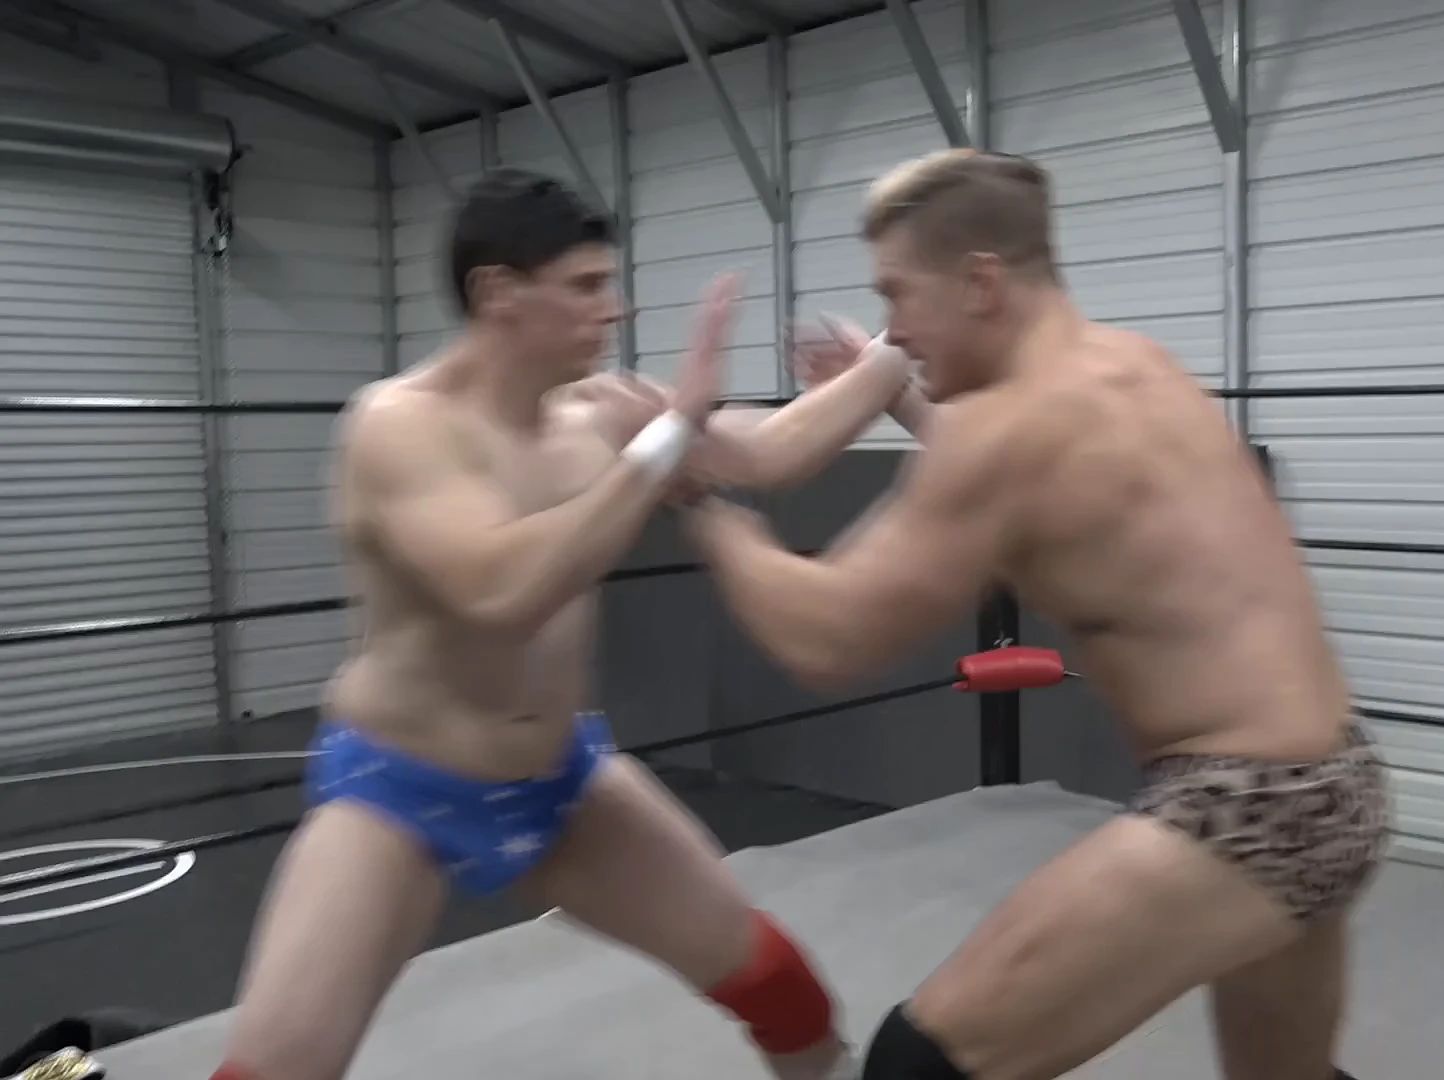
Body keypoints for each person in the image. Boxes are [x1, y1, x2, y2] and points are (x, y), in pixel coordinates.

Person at [682, 148, 1390, 1080]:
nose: (894, 329)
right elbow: (1049, 488)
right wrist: (903, 395)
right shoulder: (1134, 366)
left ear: (981, 282)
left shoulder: (1006, 431)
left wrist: (706, 513)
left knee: (922, 1065)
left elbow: (830, 636)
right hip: (1339, 781)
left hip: (1241, 808)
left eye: (899, 295)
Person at [209, 168, 922, 1080]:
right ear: (497, 293)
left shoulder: (602, 409)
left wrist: (901, 346)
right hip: (401, 792)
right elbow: (504, 590)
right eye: (585, 287)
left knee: (783, 992)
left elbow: (771, 453)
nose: (613, 308)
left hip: (563, 778)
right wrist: (666, 443)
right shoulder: (400, 426)